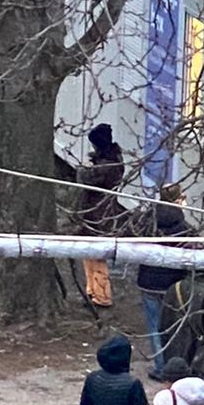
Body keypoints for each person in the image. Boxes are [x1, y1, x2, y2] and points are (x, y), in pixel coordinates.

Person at [136, 184, 190, 376]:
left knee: (154, 325)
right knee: (174, 324)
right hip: (173, 283)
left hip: (149, 281)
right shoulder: (182, 226)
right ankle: (175, 364)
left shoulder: (148, 221)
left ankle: (160, 367)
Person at [77, 123, 124, 308]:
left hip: (99, 214)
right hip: (96, 212)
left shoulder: (107, 166)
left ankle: (102, 295)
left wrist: (84, 168)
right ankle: (93, 291)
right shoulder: (114, 160)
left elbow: (85, 178)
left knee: (97, 257)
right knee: (88, 254)